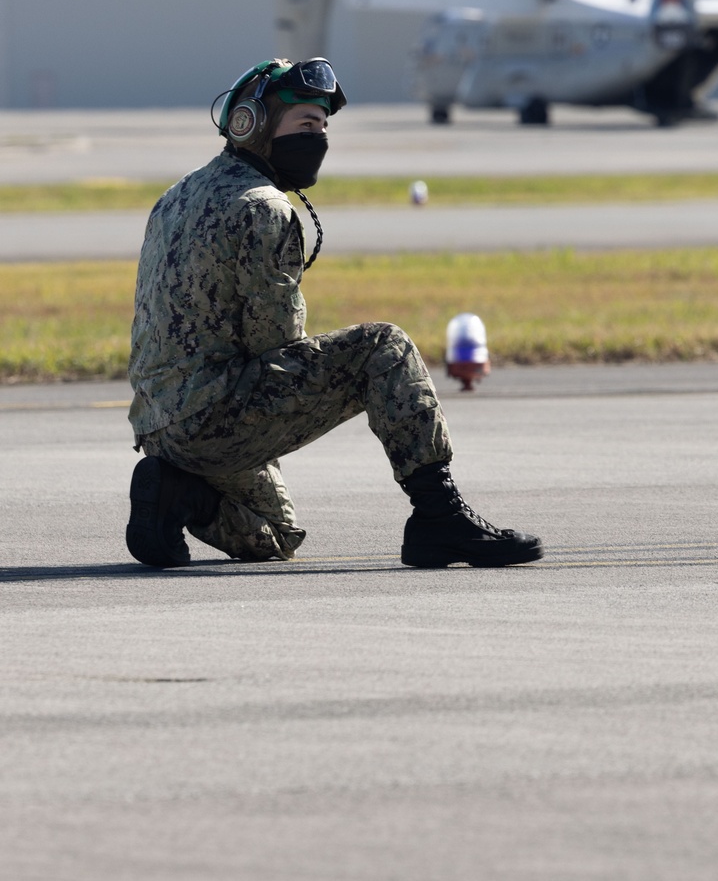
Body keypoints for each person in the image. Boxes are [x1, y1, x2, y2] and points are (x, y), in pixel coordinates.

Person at [126, 56, 543, 571]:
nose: (317, 138)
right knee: (383, 348)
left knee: (276, 537)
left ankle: (179, 493)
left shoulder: (176, 195)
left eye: (322, 126)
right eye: (304, 124)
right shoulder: (264, 207)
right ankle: (438, 516)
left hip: (161, 426)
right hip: (214, 420)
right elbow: (276, 345)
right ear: (251, 126)